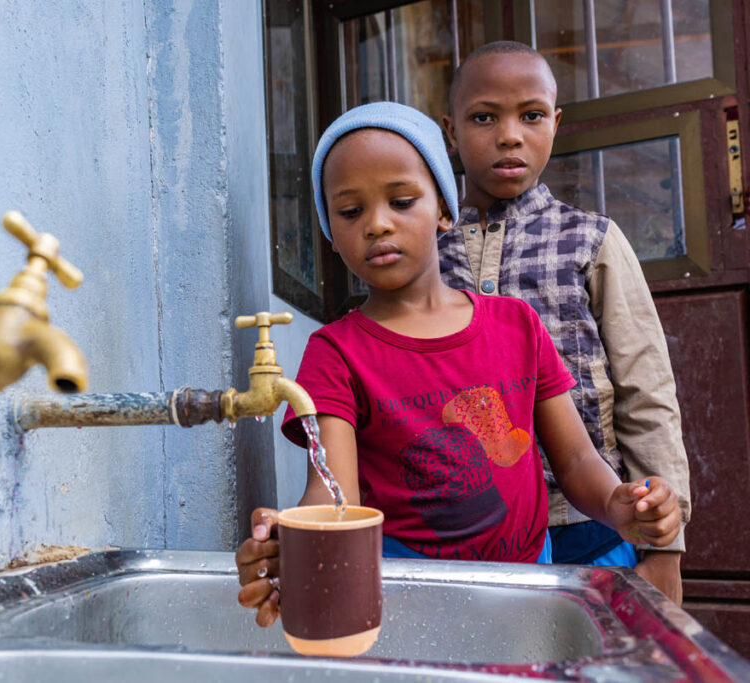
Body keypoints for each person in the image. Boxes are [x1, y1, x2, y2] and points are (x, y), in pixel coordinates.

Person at [235, 101, 681, 628]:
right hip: (410, 601)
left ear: (445, 209)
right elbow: (334, 492)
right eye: (350, 212)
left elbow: (577, 463)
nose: (377, 224)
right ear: (330, 232)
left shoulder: (517, 326)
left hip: (528, 588)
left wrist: (618, 504)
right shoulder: (336, 353)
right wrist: (299, 537)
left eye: (401, 201)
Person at [438, 41, 691, 604]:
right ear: (450, 130)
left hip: (590, 522)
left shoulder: (591, 240)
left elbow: (646, 391)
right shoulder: (425, 247)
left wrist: (666, 546)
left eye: (530, 116)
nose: (509, 135)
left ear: (554, 123)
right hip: (463, 527)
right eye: (485, 117)